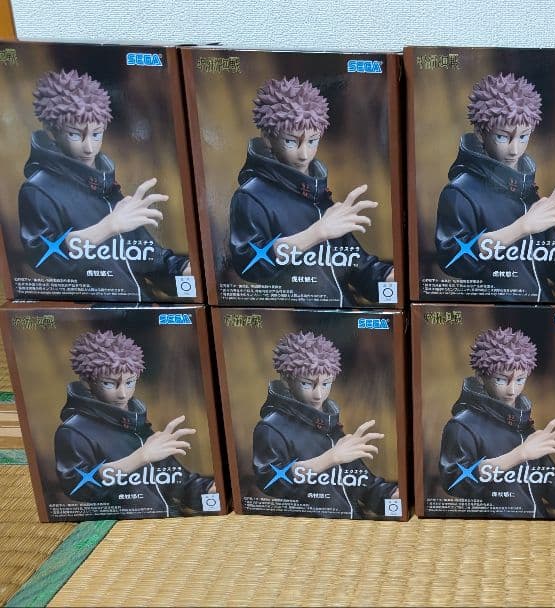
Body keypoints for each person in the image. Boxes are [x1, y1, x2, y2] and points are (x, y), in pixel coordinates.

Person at [19, 70, 189, 301]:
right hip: (93, 314)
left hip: (139, 311)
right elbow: (43, 258)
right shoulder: (39, 189)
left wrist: (184, 270)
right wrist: (108, 227)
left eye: (97, 134)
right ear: (52, 132)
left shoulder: (106, 188)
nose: (89, 148)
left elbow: (148, 259)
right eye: (75, 135)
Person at [228, 77, 393, 306]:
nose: (304, 154)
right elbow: (249, 265)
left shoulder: (319, 198)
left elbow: (363, 272)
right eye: (291, 142)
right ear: (268, 138)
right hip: (293, 319)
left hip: (343, 319)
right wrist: (316, 233)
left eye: (313, 141)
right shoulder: (251, 196)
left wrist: (401, 281)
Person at [435, 73, 555, 302]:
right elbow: (453, 259)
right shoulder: (460, 192)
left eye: (523, 137)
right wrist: (520, 228)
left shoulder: (526, 193)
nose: (515, 150)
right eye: (502, 137)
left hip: (541, 314)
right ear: (480, 133)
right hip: (495, 315)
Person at [55, 331, 214, 517]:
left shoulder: (137, 426)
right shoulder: (74, 430)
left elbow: (180, 484)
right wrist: (140, 457)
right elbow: (76, 485)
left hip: (167, 521)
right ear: (87, 381)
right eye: (109, 384)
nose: (123, 394)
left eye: (130, 382)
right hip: (119, 527)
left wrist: (214, 491)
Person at [438, 327, 555, 517]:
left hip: (536, 527)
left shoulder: (524, 427)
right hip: (489, 529)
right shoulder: (462, 426)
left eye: (520, 380)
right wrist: (519, 455)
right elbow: (454, 482)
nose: (512, 390)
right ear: (481, 377)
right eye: (501, 380)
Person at [252, 331, 397, 519]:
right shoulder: (271, 428)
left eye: (326, 383)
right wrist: (329, 458)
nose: (318, 395)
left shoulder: (331, 429)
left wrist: (396, 498)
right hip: (305, 528)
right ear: (286, 379)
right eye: (307, 384)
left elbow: (366, 488)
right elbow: (270, 481)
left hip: (351, 525)